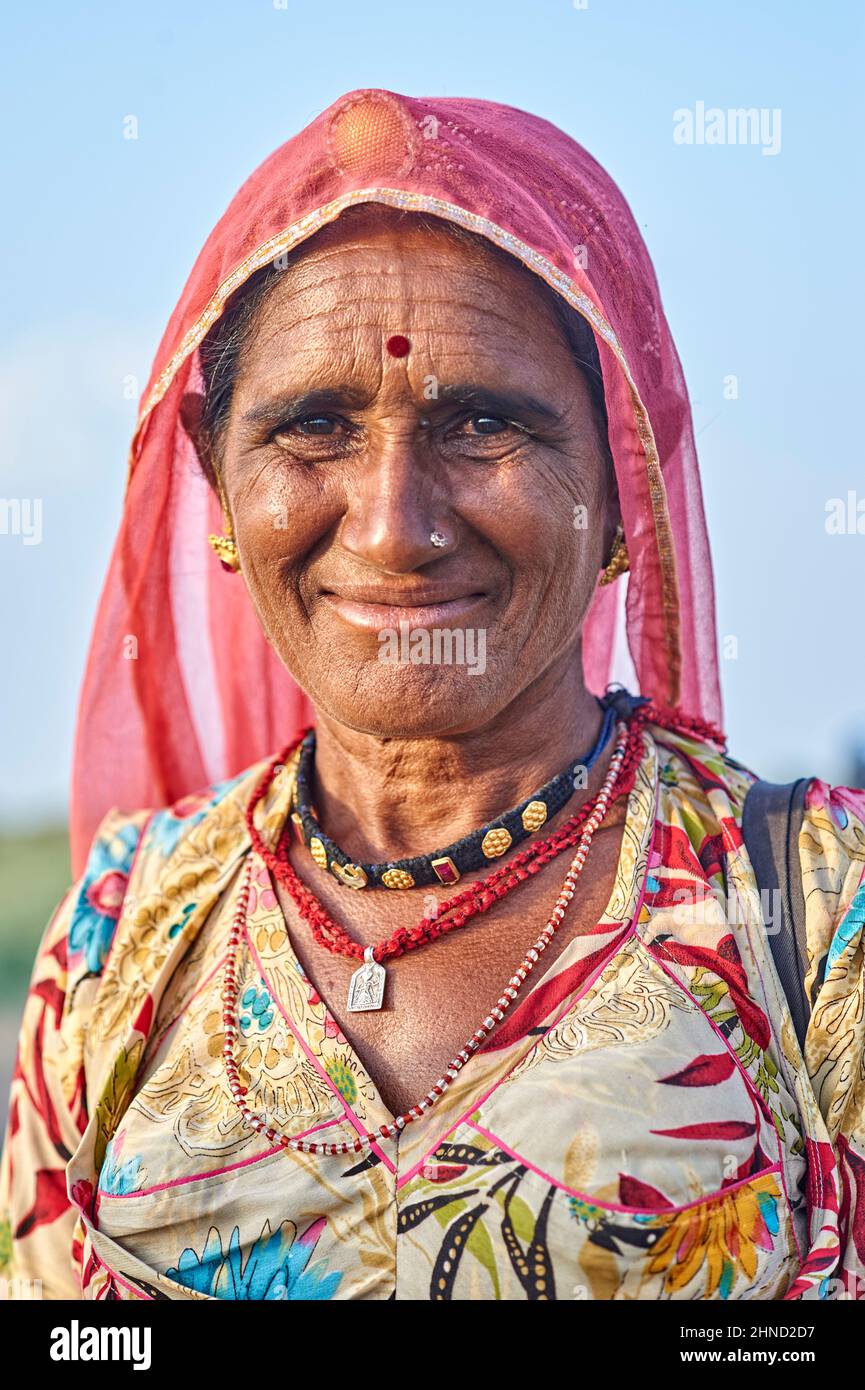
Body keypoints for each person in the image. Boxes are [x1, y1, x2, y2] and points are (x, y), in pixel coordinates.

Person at [1, 88, 863, 1302]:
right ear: (220, 486)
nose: (395, 528)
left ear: (622, 489)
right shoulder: (122, 922)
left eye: (483, 423)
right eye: (313, 426)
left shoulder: (818, 918)